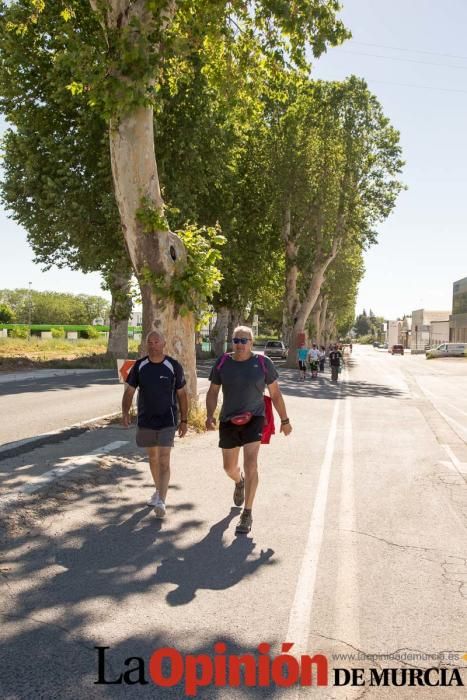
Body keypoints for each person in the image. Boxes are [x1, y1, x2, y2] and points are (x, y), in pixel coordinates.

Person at [205, 326, 292, 535]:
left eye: (244, 341)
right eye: (236, 340)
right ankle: (239, 481)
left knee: (251, 462)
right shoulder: (223, 362)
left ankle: (247, 513)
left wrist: (285, 420)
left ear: (251, 342)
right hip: (228, 419)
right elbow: (213, 391)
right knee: (229, 467)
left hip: (255, 419)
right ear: (232, 342)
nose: (240, 344)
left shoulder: (263, 363)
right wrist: (209, 415)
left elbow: (276, 394)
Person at [122, 330, 188, 518]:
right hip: (146, 420)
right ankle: (158, 490)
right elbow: (129, 392)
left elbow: (182, 395)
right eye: (149, 342)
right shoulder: (140, 366)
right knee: (152, 458)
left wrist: (184, 420)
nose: (153, 345)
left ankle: (162, 500)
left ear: (164, 343)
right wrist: (125, 413)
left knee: (164, 459)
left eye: (156, 341)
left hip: (167, 420)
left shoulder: (173, 366)